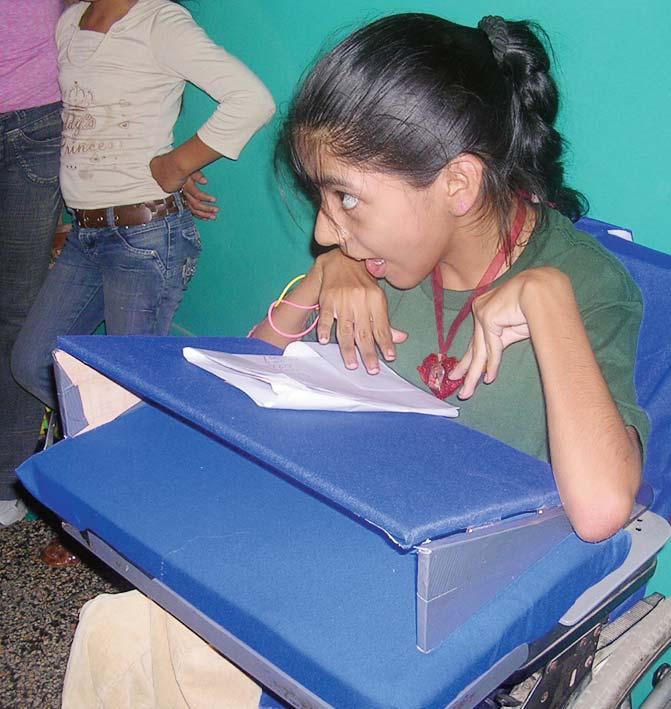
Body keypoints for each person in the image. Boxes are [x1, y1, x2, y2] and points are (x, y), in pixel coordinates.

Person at [61, 12, 648, 705]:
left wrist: (550, 304)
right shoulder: (380, 262)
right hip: (343, 545)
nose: (320, 227)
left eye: (344, 198)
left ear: (458, 185)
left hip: (448, 601)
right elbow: (244, 384)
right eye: (320, 198)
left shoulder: (584, 284)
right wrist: (321, 277)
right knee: (129, 626)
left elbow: (602, 508)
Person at [10, 0, 275, 562]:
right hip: (85, 236)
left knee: (131, 394)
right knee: (32, 360)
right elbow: (84, 126)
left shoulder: (159, 21)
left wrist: (178, 164)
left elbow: (252, 99)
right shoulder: (69, 21)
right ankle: (98, 468)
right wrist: (69, 213)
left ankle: (113, 529)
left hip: (146, 237)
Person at [0, 0, 71, 527]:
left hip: (36, 124)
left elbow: (100, 31)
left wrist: (156, 159)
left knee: (15, 313)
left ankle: (7, 478)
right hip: (36, 125)